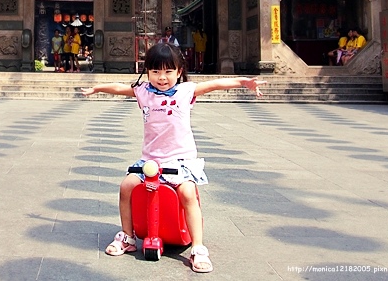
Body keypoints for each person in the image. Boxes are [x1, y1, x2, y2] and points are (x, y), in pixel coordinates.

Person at [81, 43, 265, 273]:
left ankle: (197, 247)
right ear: (147, 71)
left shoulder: (185, 91)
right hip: (150, 161)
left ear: (179, 72)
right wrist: (96, 88)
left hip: (180, 161)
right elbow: (118, 88)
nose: (162, 77)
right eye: (156, 71)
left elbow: (215, 84)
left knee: (187, 193)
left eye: (168, 71)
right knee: (126, 186)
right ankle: (128, 237)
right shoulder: (143, 91)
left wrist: (243, 82)